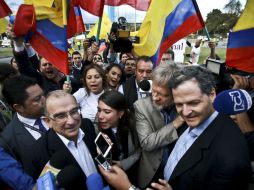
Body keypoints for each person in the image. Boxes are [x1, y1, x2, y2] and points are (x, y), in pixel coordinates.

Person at [160, 66, 251, 190]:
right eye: (179, 104)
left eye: (193, 103)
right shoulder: (195, 118)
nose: (185, 112)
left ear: (212, 94)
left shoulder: (230, 159)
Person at [25, 90, 98, 189]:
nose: (71, 121)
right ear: (48, 121)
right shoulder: (37, 153)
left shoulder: (87, 125)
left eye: (74, 111)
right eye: (61, 116)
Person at [133, 63, 185, 188]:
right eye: (154, 91)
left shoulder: (187, 108)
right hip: (152, 174)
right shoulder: (141, 106)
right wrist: (175, 123)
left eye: (163, 94)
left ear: (176, 93)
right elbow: (147, 143)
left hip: (179, 176)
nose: (155, 98)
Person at [0, 75, 47, 172]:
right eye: (37, 99)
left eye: (43, 94)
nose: (45, 100)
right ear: (19, 107)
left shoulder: (55, 111)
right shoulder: (9, 140)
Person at [96, 90, 140, 185]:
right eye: (99, 110)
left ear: (121, 113)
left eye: (107, 112)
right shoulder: (96, 129)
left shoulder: (135, 126)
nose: (100, 116)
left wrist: (123, 164)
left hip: (133, 176)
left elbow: (141, 150)